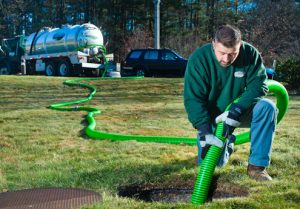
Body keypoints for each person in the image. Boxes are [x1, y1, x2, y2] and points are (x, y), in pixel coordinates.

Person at [183, 24, 278, 181]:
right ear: (213, 43)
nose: (226, 59)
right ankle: (227, 144)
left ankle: (256, 167)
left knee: (267, 107)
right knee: (214, 165)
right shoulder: (198, 59)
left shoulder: (250, 53)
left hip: (240, 111)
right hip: (213, 117)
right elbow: (193, 99)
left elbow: (259, 85)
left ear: (239, 46)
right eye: (222, 53)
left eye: (232, 54)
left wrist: (237, 109)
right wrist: (204, 130)